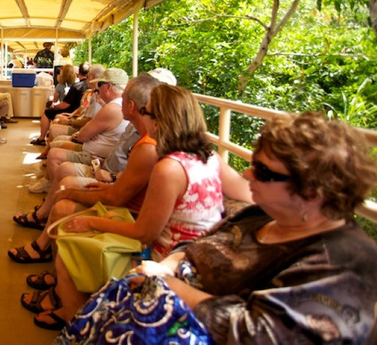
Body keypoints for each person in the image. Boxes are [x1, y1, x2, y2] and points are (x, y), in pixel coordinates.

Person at [61, 112, 377, 344]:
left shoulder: (343, 262)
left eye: (263, 171)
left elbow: (257, 333)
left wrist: (169, 285)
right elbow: (199, 245)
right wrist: (168, 265)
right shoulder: (260, 216)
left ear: (312, 191)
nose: (247, 174)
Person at [28, 84, 253, 330]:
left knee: (70, 244)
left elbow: (145, 234)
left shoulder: (168, 168)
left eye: (147, 112)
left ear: (158, 120)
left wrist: (89, 221)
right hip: (198, 253)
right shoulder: (210, 157)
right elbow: (249, 195)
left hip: (166, 257)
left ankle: (76, 322)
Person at [8, 74, 161, 264]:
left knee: (64, 195)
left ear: (130, 106)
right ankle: (45, 235)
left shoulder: (147, 146)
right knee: (64, 179)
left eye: (125, 98)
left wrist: (73, 194)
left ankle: (44, 246)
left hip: (124, 207)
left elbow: (118, 197)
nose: (120, 100)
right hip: (109, 173)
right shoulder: (137, 132)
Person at [30, 62, 92, 146]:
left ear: (79, 72)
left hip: (71, 112)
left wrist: (55, 106)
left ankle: (41, 138)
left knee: (47, 112)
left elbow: (64, 105)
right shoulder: (91, 88)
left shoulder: (76, 86)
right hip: (80, 113)